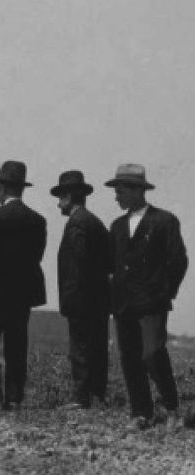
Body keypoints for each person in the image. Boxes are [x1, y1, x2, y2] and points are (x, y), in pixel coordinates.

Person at [106, 163, 188, 431]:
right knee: (129, 357)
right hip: (123, 303)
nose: (116, 196)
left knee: (153, 353)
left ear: (136, 191)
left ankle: (172, 409)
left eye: (120, 191)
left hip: (152, 302)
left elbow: (178, 261)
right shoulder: (116, 227)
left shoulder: (164, 221)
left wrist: (165, 292)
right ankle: (141, 413)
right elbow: (111, 265)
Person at [0, 161, 47, 409]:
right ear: (22, 189)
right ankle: (14, 397)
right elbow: (36, 257)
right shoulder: (37, 220)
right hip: (21, 295)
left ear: (1, 189)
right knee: (16, 346)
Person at [51, 170, 110, 410]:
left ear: (69, 196)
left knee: (80, 347)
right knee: (97, 346)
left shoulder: (76, 223)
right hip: (99, 297)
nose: (58, 204)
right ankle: (97, 394)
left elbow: (77, 263)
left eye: (60, 197)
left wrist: (72, 298)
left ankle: (80, 396)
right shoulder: (95, 222)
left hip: (81, 297)